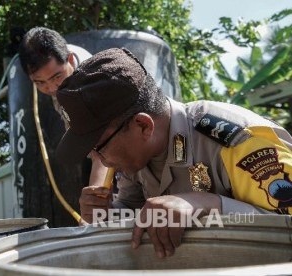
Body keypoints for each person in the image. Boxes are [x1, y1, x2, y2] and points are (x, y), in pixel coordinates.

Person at [55, 47, 292, 258]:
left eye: (98, 148)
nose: (100, 161)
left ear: (143, 126)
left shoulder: (239, 141)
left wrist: (207, 203)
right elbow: (136, 211)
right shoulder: (133, 157)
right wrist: (107, 215)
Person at [18, 27, 109, 200]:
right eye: (40, 83)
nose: (51, 88)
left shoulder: (94, 80)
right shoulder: (61, 68)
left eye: (56, 77)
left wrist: (95, 203)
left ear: (69, 58)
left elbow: (103, 151)